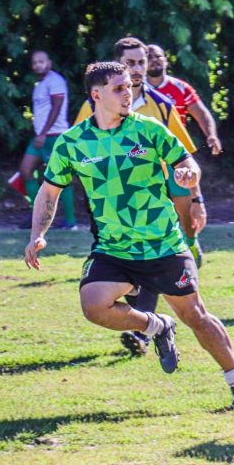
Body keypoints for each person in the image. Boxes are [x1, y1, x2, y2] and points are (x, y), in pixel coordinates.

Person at [25, 62, 234, 410]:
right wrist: (37, 235)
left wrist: (186, 175)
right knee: (94, 305)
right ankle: (156, 325)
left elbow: (187, 162)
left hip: (162, 244)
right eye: (119, 88)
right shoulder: (73, 143)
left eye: (129, 87)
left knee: (195, 316)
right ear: (96, 95)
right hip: (113, 247)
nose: (128, 93)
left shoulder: (148, 129)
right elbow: (48, 192)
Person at [75, 37, 207, 355]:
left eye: (141, 62)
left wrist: (197, 199)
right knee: (130, 268)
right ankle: (149, 327)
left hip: (159, 194)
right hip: (116, 203)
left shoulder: (161, 104)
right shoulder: (93, 106)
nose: (136, 69)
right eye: (130, 63)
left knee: (156, 259)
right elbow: (78, 150)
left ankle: (148, 329)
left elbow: (185, 155)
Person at [18, 50, 76, 230]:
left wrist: (43, 133)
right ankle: (39, 216)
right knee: (25, 171)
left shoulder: (55, 81)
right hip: (42, 137)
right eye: (35, 62)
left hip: (54, 136)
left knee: (60, 178)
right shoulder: (40, 84)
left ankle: (70, 222)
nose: (37, 65)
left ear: (49, 63)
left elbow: (56, 107)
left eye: (41, 61)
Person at [146, 44, 223, 155]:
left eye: (158, 56)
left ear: (166, 61)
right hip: (145, 151)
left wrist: (211, 135)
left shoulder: (181, 88)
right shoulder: (135, 89)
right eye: (149, 57)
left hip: (175, 150)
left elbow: (201, 114)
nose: (154, 60)